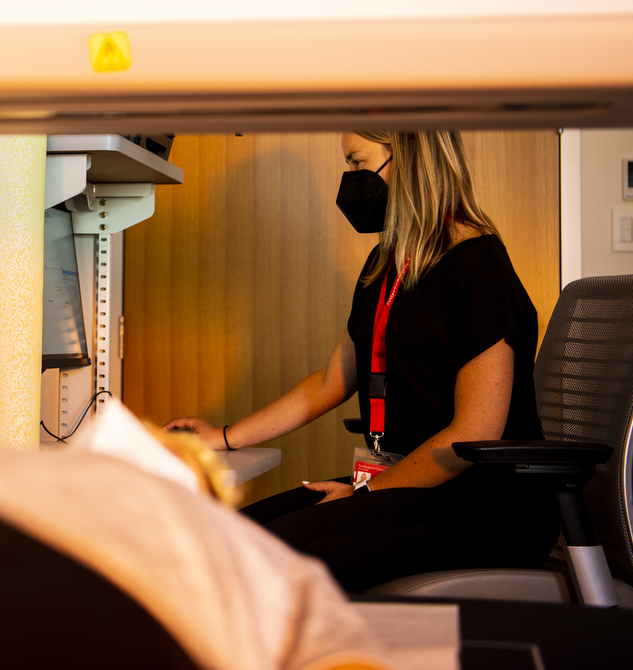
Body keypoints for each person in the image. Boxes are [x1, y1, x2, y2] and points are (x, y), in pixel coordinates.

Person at [165, 130, 560, 592]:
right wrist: (226, 437)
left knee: (264, 559)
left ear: (409, 157)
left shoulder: (478, 267)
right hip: (405, 486)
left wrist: (364, 494)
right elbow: (332, 381)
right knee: (230, 533)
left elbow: (472, 435)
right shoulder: (388, 263)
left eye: (357, 164)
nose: (350, 180)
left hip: (485, 506)